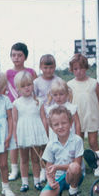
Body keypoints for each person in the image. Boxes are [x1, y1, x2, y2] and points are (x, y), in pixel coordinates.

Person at [36, 106, 85, 196]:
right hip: (58, 178)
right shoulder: (51, 144)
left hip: (74, 176)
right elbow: (49, 168)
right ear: (52, 127)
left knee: (74, 167)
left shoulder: (77, 140)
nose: (60, 127)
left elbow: (77, 164)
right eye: (56, 124)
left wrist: (57, 167)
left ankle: (74, 191)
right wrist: (50, 180)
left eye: (64, 123)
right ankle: (58, 192)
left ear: (70, 123)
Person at [67, 54, 99, 176]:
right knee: (77, 141)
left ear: (86, 68)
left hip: (91, 115)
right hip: (77, 117)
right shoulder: (69, 85)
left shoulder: (94, 83)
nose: (79, 71)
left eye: (81, 68)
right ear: (72, 70)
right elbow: (68, 103)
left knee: (93, 141)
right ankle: (77, 165)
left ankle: (97, 165)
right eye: (75, 69)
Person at [6, 42, 37, 181]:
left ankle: (39, 168)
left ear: (25, 57)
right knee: (15, 140)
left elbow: (36, 90)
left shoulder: (31, 72)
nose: (16, 58)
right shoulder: (7, 73)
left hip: (29, 109)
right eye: (13, 55)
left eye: (19, 55)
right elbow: (2, 91)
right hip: (14, 110)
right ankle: (14, 169)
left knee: (33, 139)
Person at [12, 71, 48, 192]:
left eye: (29, 84)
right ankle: (25, 183)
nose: (27, 88)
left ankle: (37, 181)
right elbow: (15, 121)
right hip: (23, 133)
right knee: (24, 159)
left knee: (35, 158)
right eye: (23, 86)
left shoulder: (38, 101)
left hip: (36, 132)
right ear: (18, 88)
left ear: (32, 85)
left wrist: (45, 132)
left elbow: (43, 118)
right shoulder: (16, 103)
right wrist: (15, 136)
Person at [34, 54, 61, 182]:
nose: (48, 70)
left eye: (51, 68)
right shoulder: (37, 82)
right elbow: (34, 100)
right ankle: (43, 170)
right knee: (43, 144)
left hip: (57, 116)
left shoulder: (58, 81)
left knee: (56, 142)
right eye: (45, 68)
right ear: (40, 67)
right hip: (41, 116)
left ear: (54, 67)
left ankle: (57, 168)